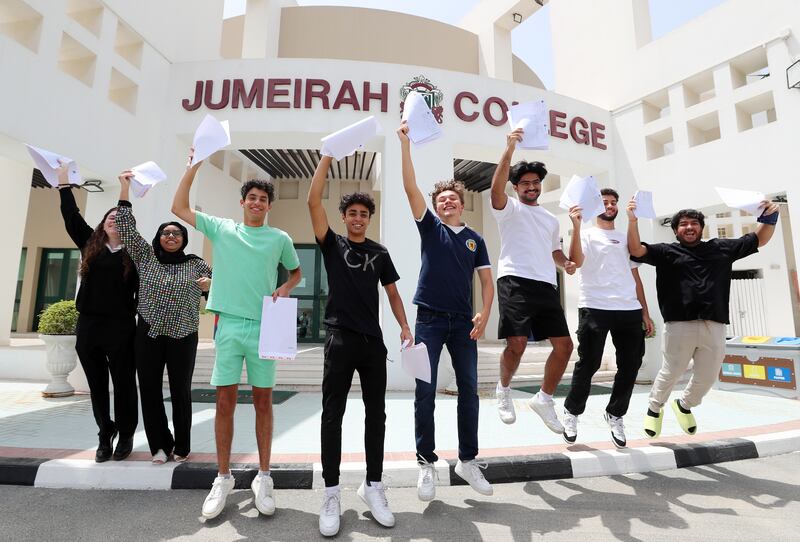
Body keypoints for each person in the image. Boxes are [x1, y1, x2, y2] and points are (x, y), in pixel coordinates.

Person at [171, 148, 302, 520]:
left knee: (264, 403)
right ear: (242, 202)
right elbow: (179, 208)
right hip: (227, 325)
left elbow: (295, 272)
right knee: (225, 402)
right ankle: (223, 476)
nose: (257, 203)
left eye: (264, 199)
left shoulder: (279, 238)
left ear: (268, 206)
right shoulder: (221, 227)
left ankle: (264, 475)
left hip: (265, 326)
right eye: (252, 198)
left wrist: (286, 288)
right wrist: (193, 165)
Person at [308, 155, 413, 537]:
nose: (357, 218)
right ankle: (331, 493)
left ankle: (373, 486)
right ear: (345, 216)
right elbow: (312, 201)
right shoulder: (332, 244)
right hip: (339, 338)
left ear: (369, 218)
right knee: (331, 415)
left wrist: (404, 326)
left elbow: (394, 294)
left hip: (372, 345)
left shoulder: (380, 253)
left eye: (363, 213)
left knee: (377, 416)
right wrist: (326, 160)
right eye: (351, 212)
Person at [397, 121, 495, 501]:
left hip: (463, 325)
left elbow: (487, 282)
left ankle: (467, 461)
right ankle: (426, 464)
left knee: (469, 390)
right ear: (436, 207)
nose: (446, 203)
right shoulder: (430, 229)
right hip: (430, 322)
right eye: (441, 201)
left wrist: (485, 313)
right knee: (425, 391)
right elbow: (410, 187)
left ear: (461, 202)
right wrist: (405, 145)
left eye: (452, 198)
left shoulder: (476, 240)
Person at [627, 199, 780, 437]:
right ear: (676, 230)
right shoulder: (666, 252)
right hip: (679, 324)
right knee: (672, 370)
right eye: (684, 224)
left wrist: (769, 217)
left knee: (708, 376)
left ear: (701, 228)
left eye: (694, 223)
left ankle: (684, 405)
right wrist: (633, 221)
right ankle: (654, 409)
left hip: (714, 323)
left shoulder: (721, 248)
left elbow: (759, 238)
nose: (689, 227)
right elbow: (636, 250)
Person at [115, 171, 212, 464]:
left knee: (181, 391)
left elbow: (219, 293)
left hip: (184, 335)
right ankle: (159, 445)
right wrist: (124, 190)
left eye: (177, 233)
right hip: (149, 334)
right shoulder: (146, 257)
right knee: (150, 389)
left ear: (184, 240)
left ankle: (182, 445)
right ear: (159, 238)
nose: (171, 236)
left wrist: (211, 287)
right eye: (166, 233)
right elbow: (127, 229)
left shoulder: (197, 264)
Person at [490, 128, 575, 433]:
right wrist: (509, 150)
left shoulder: (551, 219)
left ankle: (544, 398)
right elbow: (495, 190)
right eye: (524, 183)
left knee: (565, 346)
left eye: (535, 183)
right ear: (516, 187)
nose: (531, 187)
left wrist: (564, 262)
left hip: (545, 285)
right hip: (514, 279)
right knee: (517, 344)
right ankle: (503, 389)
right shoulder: (508, 208)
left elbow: (554, 250)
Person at [55, 163, 138, 463]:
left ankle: (126, 433)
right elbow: (70, 217)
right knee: (97, 385)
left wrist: (124, 189)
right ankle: (106, 433)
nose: (114, 220)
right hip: (89, 326)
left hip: (121, 327)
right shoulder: (90, 244)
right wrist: (64, 183)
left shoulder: (134, 255)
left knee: (125, 383)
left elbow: (124, 211)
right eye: (110, 218)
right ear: (102, 225)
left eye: (119, 218)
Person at [562, 189, 654, 448]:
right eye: (605, 202)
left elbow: (635, 276)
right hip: (595, 306)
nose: (611, 206)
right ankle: (572, 411)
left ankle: (615, 414)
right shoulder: (586, 234)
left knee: (631, 364)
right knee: (589, 363)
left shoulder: (627, 237)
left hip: (628, 309)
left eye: (614, 202)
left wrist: (644, 311)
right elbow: (576, 262)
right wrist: (576, 226)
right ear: (595, 206)